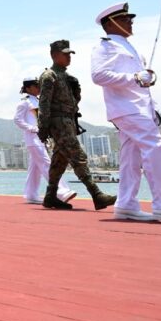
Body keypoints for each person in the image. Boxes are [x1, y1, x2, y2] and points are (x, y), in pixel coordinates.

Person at [91, 3, 161, 221]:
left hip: (139, 108)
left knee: (130, 157)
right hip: (126, 108)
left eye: (130, 18)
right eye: (125, 19)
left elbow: (139, 85)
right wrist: (133, 78)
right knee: (155, 147)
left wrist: (152, 106)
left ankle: (126, 204)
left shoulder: (129, 47)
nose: (130, 22)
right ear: (111, 23)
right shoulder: (104, 46)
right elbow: (98, 75)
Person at [38, 40, 116, 211]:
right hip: (58, 123)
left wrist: (76, 91)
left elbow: (73, 102)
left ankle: (50, 196)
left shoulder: (67, 77)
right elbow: (44, 104)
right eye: (65, 54)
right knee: (78, 156)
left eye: (69, 54)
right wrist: (43, 128)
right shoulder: (49, 76)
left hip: (69, 121)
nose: (68, 57)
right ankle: (97, 195)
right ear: (54, 55)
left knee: (60, 160)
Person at [13, 77, 76, 205]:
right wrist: (32, 128)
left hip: (41, 138)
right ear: (29, 88)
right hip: (33, 139)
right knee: (47, 163)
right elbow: (17, 120)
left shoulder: (38, 101)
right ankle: (62, 192)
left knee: (35, 168)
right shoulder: (24, 103)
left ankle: (31, 194)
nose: (39, 88)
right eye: (36, 86)